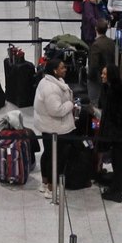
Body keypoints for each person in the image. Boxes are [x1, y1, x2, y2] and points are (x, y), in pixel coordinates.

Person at [33, 58, 77, 200]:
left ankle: (45, 183)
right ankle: (51, 188)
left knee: (48, 154)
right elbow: (56, 110)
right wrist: (71, 104)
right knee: (57, 157)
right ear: (54, 70)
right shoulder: (51, 88)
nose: (65, 69)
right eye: (62, 67)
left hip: (48, 126)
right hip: (56, 128)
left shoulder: (48, 81)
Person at [99, 63, 122, 203]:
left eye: (105, 74)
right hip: (116, 132)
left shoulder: (118, 91)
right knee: (116, 161)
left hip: (119, 134)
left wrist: (112, 133)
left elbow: (119, 115)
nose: (102, 76)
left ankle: (117, 189)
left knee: (118, 161)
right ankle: (117, 186)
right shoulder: (109, 88)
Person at [87, 19, 115, 106]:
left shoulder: (96, 45)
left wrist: (89, 77)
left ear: (96, 29)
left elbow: (93, 65)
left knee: (95, 101)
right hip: (110, 76)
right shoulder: (111, 42)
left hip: (97, 77)